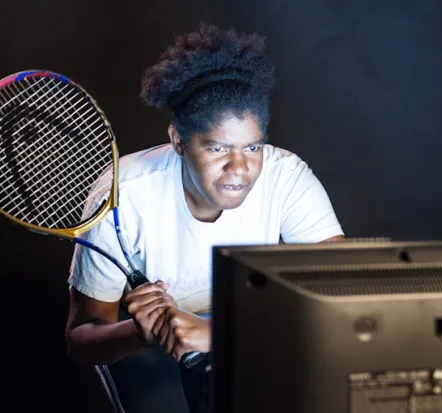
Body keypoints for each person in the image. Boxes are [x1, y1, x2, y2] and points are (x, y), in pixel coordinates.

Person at [65, 23, 344, 412]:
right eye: (217, 148)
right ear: (179, 140)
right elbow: (81, 339)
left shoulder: (286, 177)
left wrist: (217, 333)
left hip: (251, 330)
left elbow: (343, 296)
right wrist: (139, 331)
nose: (240, 167)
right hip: (151, 354)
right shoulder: (122, 195)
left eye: (253, 147)